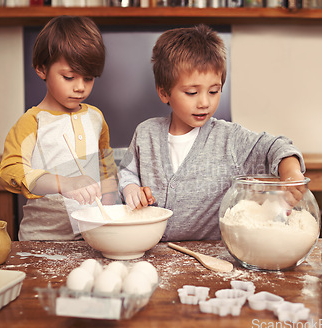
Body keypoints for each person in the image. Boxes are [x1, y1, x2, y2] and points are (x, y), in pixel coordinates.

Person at [118, 24, 306, 241]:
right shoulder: (146, 133)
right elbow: (127, 172)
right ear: (164, 92)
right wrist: (132, 189)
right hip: (151, 251)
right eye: (191, 92)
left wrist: (291, 173)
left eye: (214, 91)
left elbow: (276, 147)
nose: (204, 102)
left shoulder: (229, 139)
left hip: (210, 257)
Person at [0, 16, 118, 241]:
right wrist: (64, 183)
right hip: (41, 240)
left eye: (89, 78)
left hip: (90, 239)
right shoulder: (33, 121)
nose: (80, 87)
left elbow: (106, 164)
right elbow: (9, 172)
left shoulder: (96, 118)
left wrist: (109, 203)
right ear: (42, 69)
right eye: (69, 77)